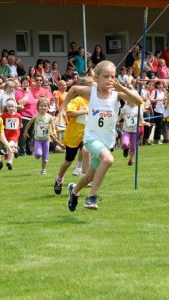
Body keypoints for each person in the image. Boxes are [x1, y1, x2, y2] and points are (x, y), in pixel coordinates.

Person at [61, 60, 143, 211]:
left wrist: (122, 87)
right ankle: (91, 197)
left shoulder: (117, 94)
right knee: (108, 159)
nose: (110, 80)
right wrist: (61, 110)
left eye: (113, 76)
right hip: (91, 138)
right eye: (106, 76)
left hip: (107, 141)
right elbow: (73, 90)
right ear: (97, 78)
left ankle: (74, 191)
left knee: (90, 176)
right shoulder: (91, 91)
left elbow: (139, 101)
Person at [54, 77, 94, 195]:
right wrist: (84, 111)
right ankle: (59, 178)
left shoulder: (94, 101)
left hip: (87, 134)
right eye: (91, 87)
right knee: (68, 161)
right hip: (73, 135)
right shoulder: (77, 100)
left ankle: (85, 177)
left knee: (86, 151)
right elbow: (69, 113)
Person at [24, 96, 55, 175]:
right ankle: (36, 154)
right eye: (41, 106)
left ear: (48, 107)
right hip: (37, 139)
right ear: (38, 107)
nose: (43, 107)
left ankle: (43, 169)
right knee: (38, 154)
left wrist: (54, 131)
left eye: (45, 106)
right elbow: (29, 124)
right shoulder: (36, 117)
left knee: (45, 157)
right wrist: (25, 132)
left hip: (46, 140)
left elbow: (52, 125)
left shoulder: (49, 117)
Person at [118, 101, 150, 166]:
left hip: (135, 131)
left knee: (133, 146)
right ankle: (126, 148)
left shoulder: (139, 109)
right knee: (124, 143)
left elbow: (142, 121)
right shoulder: (125, 108)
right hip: (126, 130)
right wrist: (114, 122)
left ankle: (130, 159)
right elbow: (119, 117)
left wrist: (146, 123)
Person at [15, 76, 37, 156]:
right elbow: (21, 103)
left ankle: (29, 150)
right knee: (23, 134)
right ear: (21, 84)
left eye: (27, 82)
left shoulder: (29, 92)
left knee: (30, 135)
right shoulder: (19, 92)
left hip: (32, 116)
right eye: (24, 82)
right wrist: (27, 94)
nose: (26, 84)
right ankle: (22, 151)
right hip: (24, 116)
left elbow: (33, 103)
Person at [0, 99, 21, 170]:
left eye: (12, 106)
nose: (11, 108)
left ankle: (10, 162)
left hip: (15, 135)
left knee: (10, 146)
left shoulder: (18, 116)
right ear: (6, 107)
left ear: (15, 107)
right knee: (9, 148)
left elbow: (19, 125)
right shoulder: (3, 116)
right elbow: (0, 124)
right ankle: (16, 151)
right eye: (9, 106)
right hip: (6, 135)